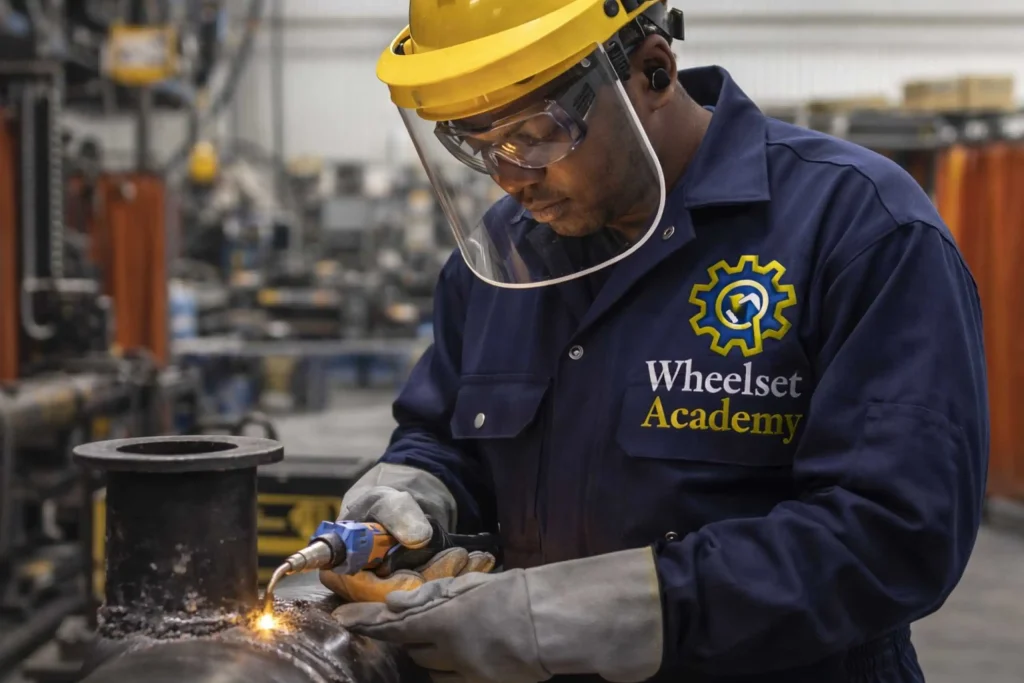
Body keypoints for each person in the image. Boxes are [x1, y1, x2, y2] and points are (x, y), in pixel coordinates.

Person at [321, 2, 989, 682]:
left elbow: (894, 536)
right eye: (476, 144)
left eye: (537, 135)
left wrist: (597, 613)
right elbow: (447, 433)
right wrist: (417, 484)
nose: (512, 177)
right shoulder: (505, 257)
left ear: (653, 71)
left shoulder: (857, 229)